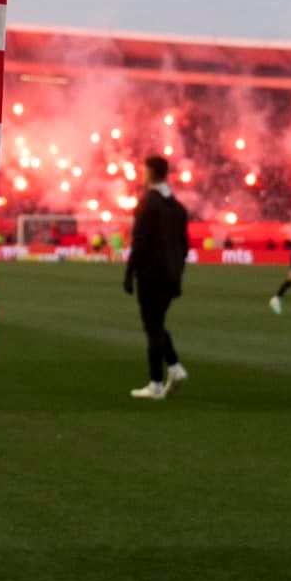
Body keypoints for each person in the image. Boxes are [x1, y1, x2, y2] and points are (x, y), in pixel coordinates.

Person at [124, 156, 190, 400]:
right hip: (171, 274)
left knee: (152, 326)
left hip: (151, 274)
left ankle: (156, 382)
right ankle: (174, 367)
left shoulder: (148, 204)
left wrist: (130, 273)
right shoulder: (178, 208)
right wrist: (178, 276)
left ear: (150, 172)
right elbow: (184, 247)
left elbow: (139, 242)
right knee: (158, 323)